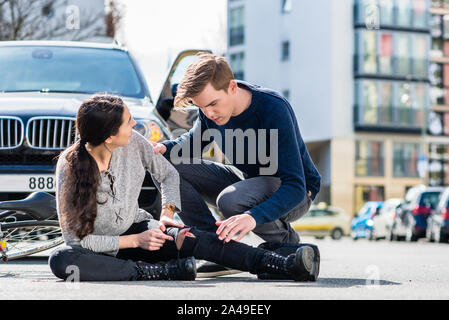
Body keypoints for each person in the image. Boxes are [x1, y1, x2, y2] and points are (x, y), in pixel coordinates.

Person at [48, 94, 320, 282]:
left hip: (140, 232)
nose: (134, 124)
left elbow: (168, 173)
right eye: (128, 122)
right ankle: (155, 272)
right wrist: (133, 242)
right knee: (61, 259)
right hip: (102, 249)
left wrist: (167, 213)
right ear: (109, 136)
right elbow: (77, 241)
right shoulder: (69, 168)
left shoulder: (134, 143)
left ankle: (281, 262)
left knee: (193, 238)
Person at [151, 53, 321, 277]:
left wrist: (253, 216)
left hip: (297, 193)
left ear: (232, 87)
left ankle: (286, 245)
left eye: (213, 104)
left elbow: (295, 185)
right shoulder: (210, 114)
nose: (209, 113)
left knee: (231, 200)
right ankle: (217, 247)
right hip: (250, 184)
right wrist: (165, 149)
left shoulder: (273, 108)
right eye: (202, 108)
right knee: (163, 164)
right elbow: (190, 145)